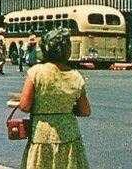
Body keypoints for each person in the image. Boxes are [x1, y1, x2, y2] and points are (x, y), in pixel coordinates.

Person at [18, 28, 90, 169]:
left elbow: (24, 106)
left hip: (42, 134)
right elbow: (85, 110)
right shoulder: (76, 76)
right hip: (69, 135)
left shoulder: (36, 73)